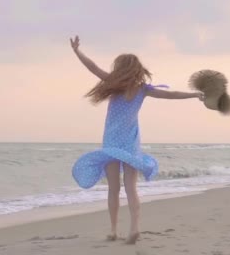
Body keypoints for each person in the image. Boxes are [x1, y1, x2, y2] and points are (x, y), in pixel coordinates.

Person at [70, 35, 204, 244]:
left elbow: (92, 67)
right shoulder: (142, 90)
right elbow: (171, 95)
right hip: (131, 143)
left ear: (120, 68)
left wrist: (77, 51)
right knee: (131, 188)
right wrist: (193, 95)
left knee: (113, 189)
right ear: (137, 69)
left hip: (111, 143)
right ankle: (135, 228)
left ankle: (114, 230)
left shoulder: (113, 84)